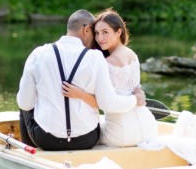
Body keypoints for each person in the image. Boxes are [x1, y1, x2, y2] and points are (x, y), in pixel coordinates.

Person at [17, 9, 146, 151]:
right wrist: (136, 99)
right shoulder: (96, 57)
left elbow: (25, 103)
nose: (97, 39)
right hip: (87, 139)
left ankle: (29, 152)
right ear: (86, 30)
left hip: (46, 140)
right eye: (95, 33)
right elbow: (106, 101)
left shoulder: (38, 54)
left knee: (24, 104)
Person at [63, 9, 158, 147]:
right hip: (148, 127)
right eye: (96, 33)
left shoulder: (106, 63)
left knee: (82, 132)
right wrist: (137, 96)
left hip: (121, 133)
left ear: (118, 32)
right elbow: (134, 89)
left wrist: (80, 94)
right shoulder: (133, 55)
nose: (100, 38)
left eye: (105, 32)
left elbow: (106, 103)